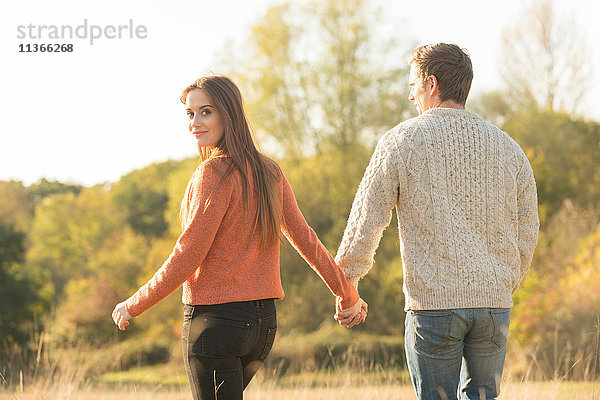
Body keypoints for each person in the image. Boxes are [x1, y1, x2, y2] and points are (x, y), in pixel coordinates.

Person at [112, 75, 367, 400]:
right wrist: (347, 295)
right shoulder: (269, 170)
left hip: (215, 324)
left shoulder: (213, 173)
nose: (195, 123)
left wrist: (134, 304)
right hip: (262, 327)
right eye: (190, 114)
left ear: (228, 113)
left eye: (206, 112)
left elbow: (188, 255)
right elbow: (306, 239)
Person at [334, 43, 539, 400]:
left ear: (431, 83)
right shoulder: (509, 148)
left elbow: (367, 218)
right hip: (494, 305)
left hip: (434, 305)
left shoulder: (402, 141)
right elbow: (528, 228)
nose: (410, 94)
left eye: (412, 84)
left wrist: (347, 283)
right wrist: (505, 281)